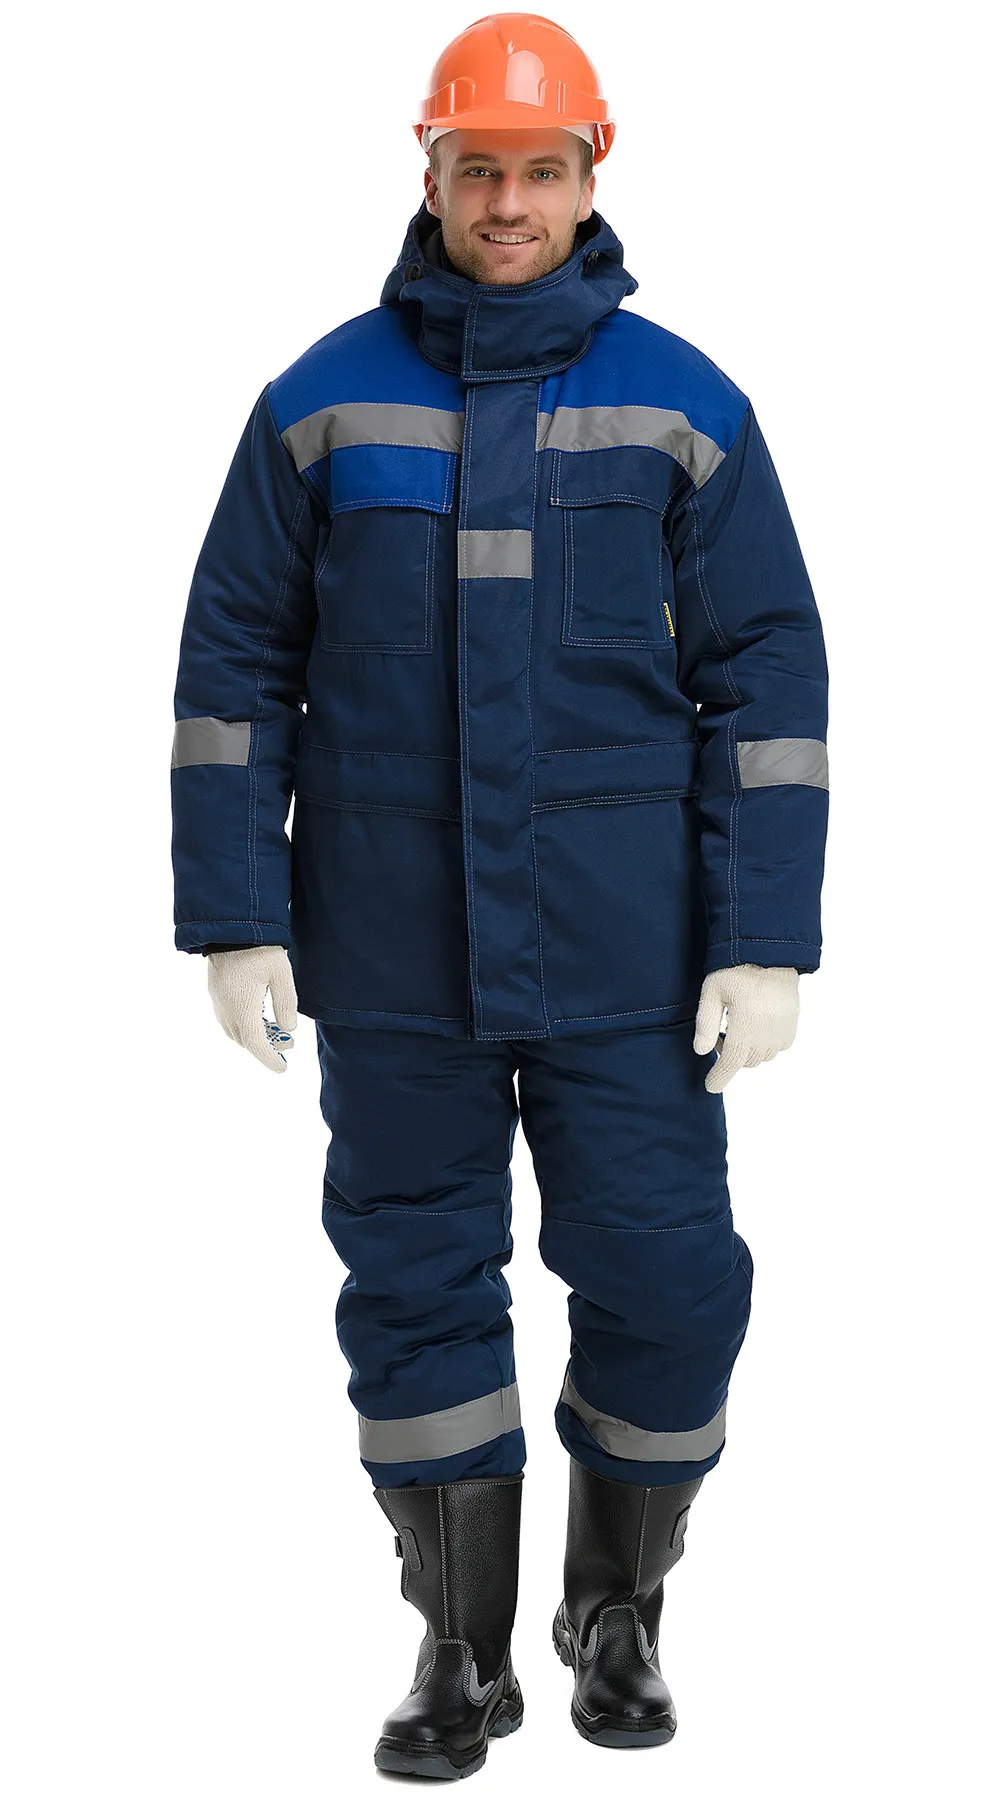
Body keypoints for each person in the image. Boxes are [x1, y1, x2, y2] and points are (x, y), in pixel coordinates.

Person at [170, 12, 829, 1780]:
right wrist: (236, 914)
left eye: (542, 170)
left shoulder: (687, 407)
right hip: (391, 951)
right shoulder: (317, 405)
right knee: (413, 1287)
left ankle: (619, 1608)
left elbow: (767, 681)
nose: (510, 202)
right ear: (431, 168)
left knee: (671, 1280)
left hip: (630, 956)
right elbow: (235, 669)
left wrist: (764, 940)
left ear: (593, 173)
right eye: (481, 170)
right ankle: (457, 1643)